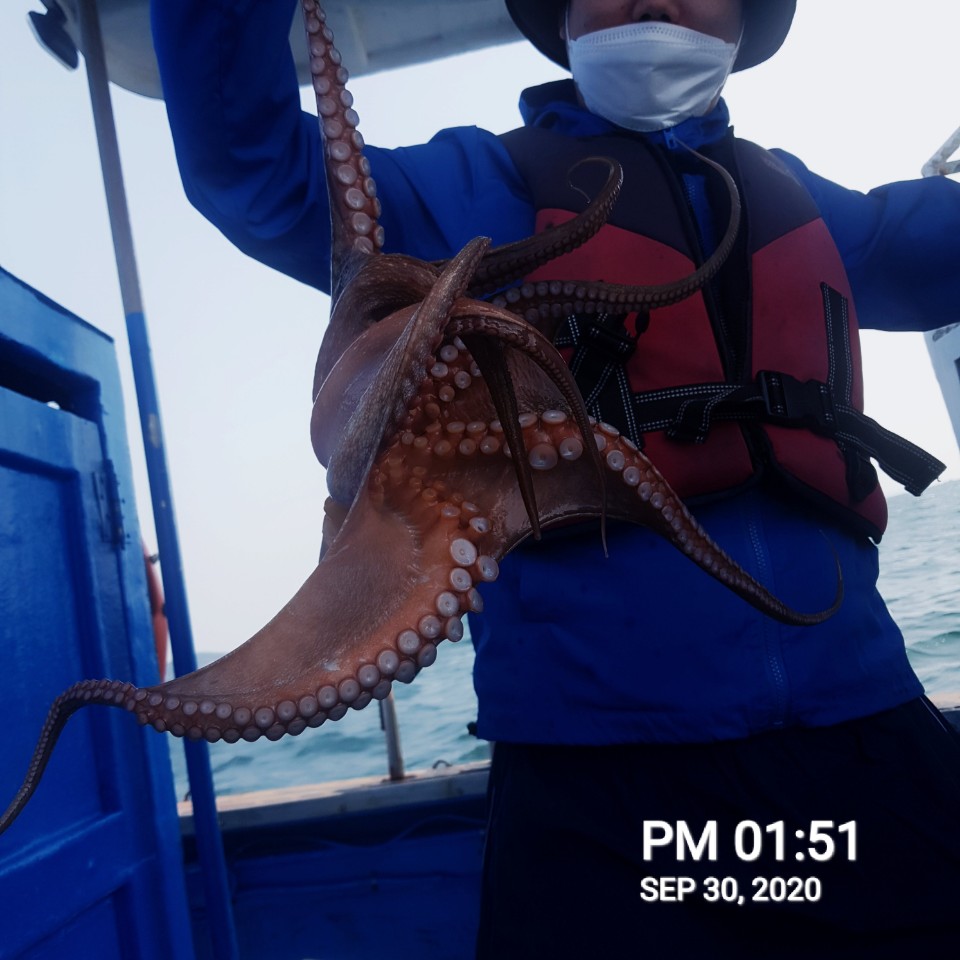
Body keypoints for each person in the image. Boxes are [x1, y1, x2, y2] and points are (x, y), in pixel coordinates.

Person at [152, 1, 960, 956]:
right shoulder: (468, 190)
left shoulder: (804, 203)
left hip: (865, 735)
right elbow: (251, 168)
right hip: (593, 776)